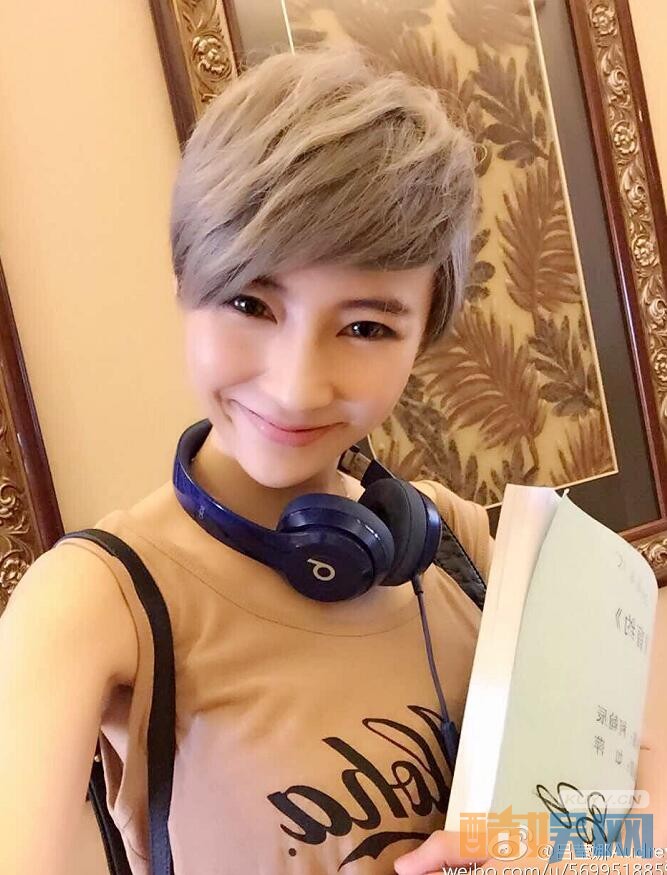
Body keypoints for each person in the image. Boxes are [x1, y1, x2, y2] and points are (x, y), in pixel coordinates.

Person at [0, 41, 662, 875]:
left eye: (365, 327)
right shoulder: (95, 599)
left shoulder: (461, 546)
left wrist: (534, 851)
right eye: (250, 303)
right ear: (185, 287)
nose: (295, 386)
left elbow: (637, 831)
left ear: (422, 339)